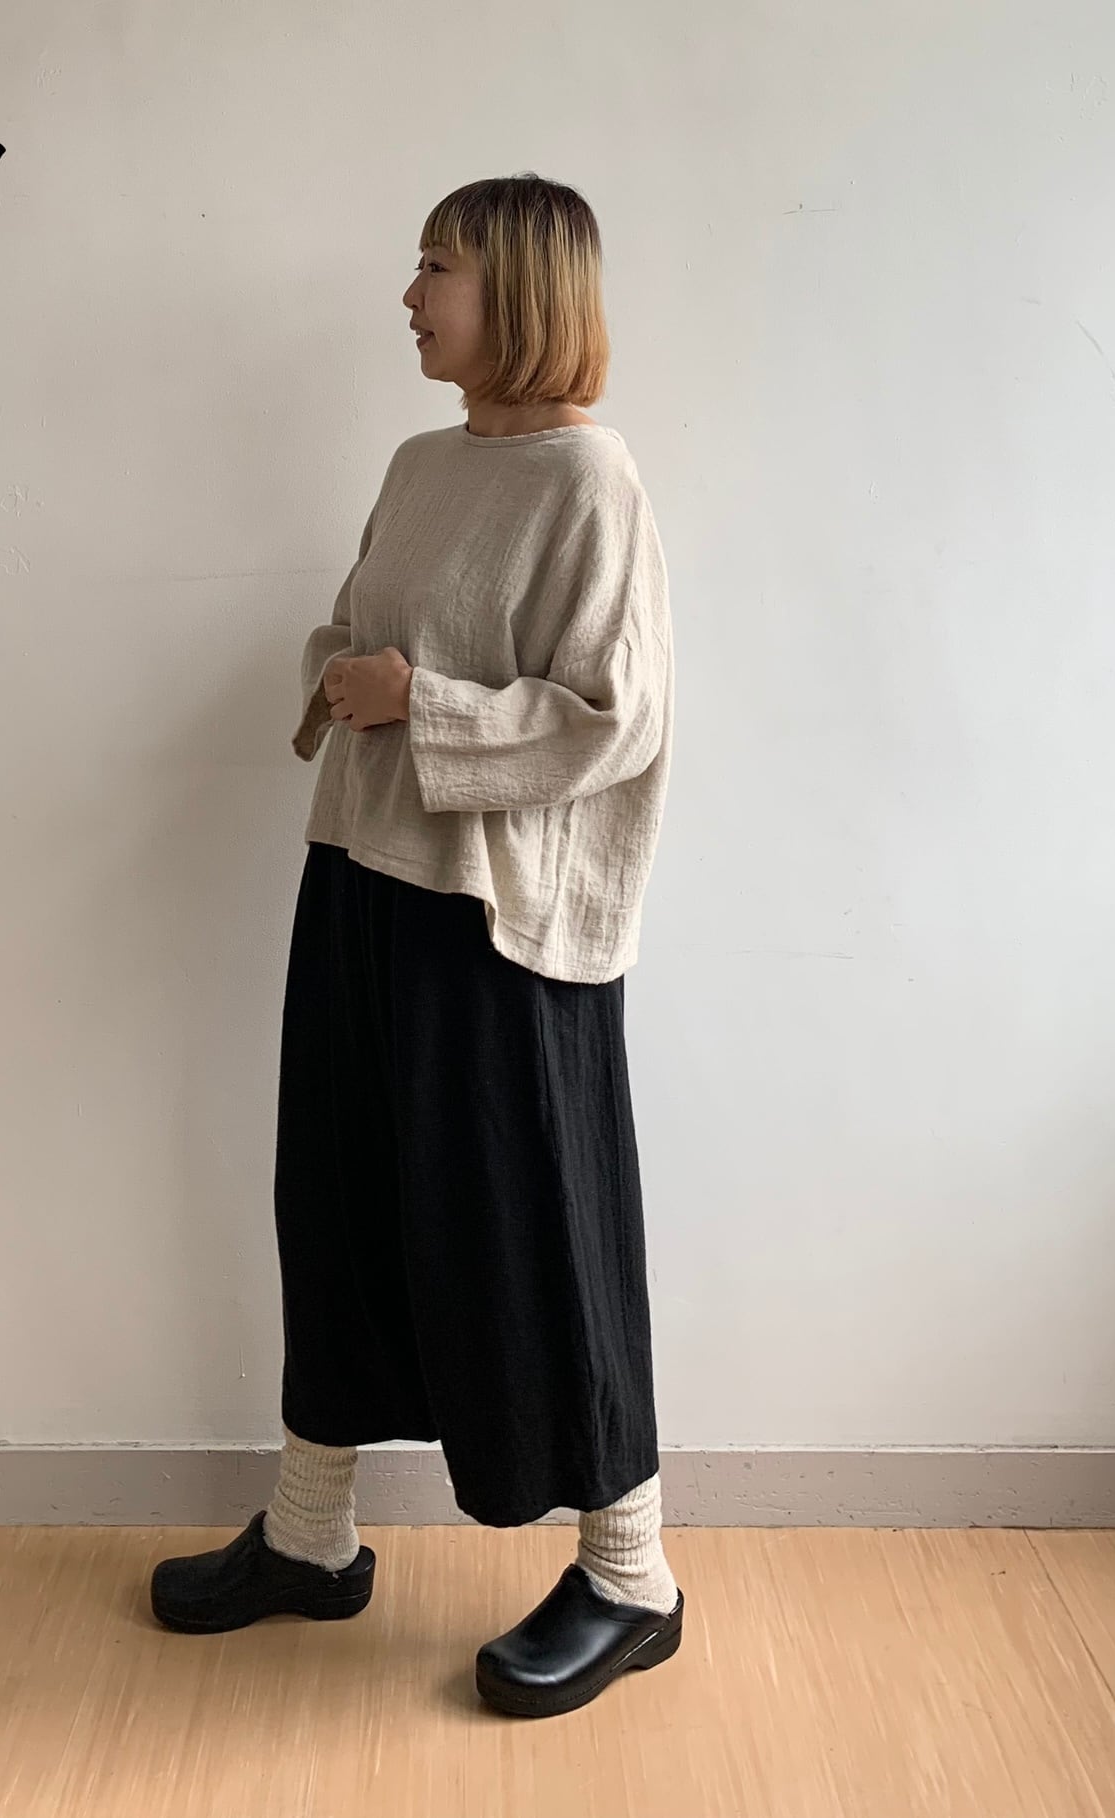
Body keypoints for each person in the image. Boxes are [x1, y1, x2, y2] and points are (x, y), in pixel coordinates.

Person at [150, 173, 680, 1721]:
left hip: (497, 923)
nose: (408, 294)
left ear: (518, 288)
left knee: (535, 1234)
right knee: (337, 1205)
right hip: (359, 877)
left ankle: (632, 1575)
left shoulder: (591, 482)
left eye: (435, 266)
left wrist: (417, 700)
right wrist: (348, 672)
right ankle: (310, 1536)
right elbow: (351, 627)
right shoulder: (418, 462)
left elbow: (616, 718)